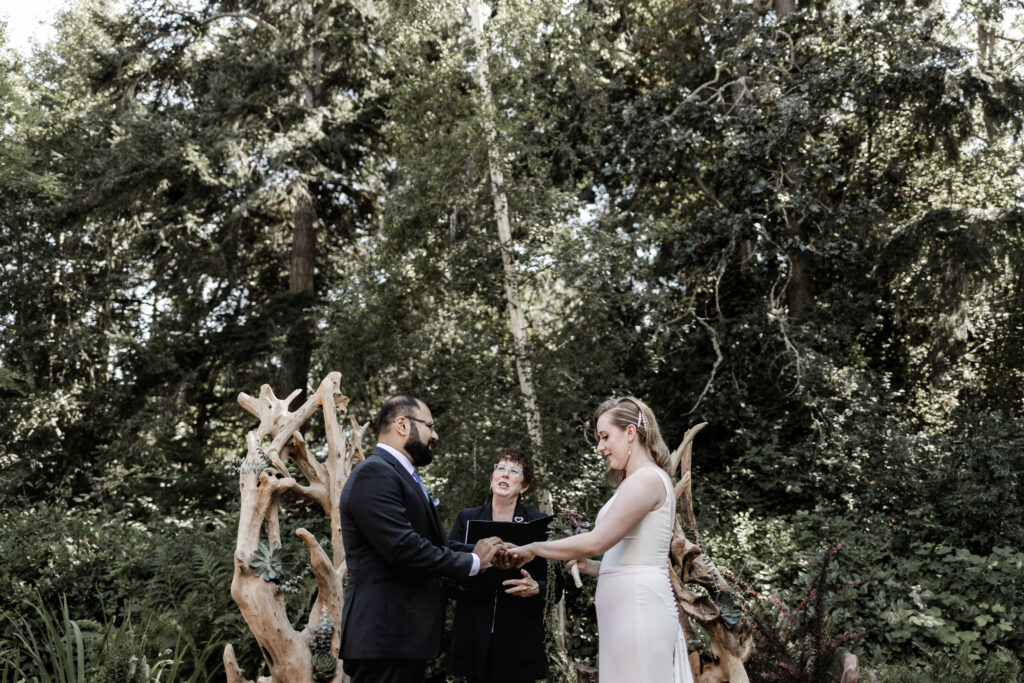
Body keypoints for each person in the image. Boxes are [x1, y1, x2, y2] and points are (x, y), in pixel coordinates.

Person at [507, 397, 694, 683]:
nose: (600, 447)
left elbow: (597, 541)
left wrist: (534, 548)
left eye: (605, 436)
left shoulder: (646, 479)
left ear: (630, 432)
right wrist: (592, 567)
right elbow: (631, 554)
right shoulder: (634, 481)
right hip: (626, 610)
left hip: (639, 608)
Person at [339, 394, 508, 683]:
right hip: (385, 637)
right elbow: (403, 547)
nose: (436, 435)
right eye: (430, 425)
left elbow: (432, 545)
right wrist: (473, 561)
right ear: (402, 425)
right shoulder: (374, 473)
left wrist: (490, 556)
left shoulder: (399, 475)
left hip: (402, 640)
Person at [447, 450, 561, 683]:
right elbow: (448, 577)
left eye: (514, 471)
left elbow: (556, 587)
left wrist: (536, 587)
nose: (505, 474)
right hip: (475, 635)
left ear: (524, 486)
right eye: (500, 468)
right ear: (491, 479)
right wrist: (478, 563)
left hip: (520, 639)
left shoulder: (539, 524)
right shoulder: (466, 519)